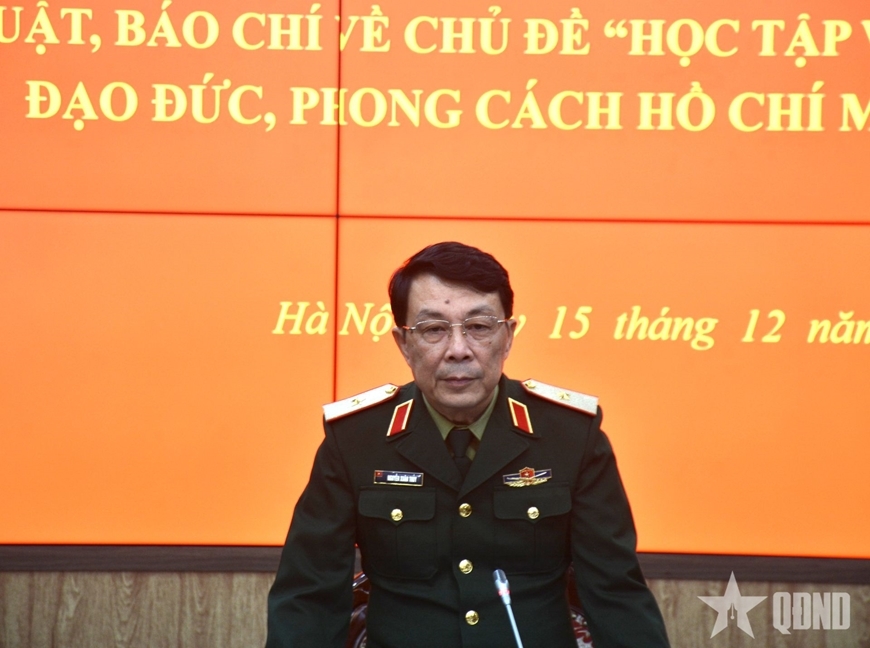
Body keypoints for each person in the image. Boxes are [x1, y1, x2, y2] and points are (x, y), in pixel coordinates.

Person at [266, 242, 670, 648]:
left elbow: (616, 594)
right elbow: (309, 597)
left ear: (508, 336)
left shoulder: (570, 435)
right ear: (403, 344)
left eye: (479, 327)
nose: (458, 351)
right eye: (434, 330)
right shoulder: (357, 438)